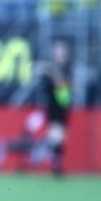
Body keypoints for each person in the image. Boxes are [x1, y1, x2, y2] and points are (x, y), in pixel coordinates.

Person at [39, 40, 73, 177]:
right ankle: (56, 164)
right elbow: (47, 85)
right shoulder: (51, 68)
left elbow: (64, 86)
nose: (59, 53)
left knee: (61, 136)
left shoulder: (66, 68)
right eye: (57, 50)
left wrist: (54, 74)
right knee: (55, 135)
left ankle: (57, 163)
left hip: (63, 103)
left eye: (61, 50)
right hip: (53, 104)